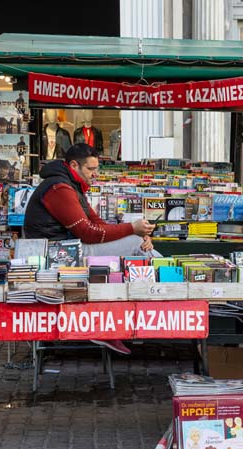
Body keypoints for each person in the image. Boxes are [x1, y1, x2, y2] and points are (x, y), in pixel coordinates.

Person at [24, 143, 157, 354]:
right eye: (91, 169)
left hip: (67, 249)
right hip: (57, 255)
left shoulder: (71, 185)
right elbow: (87, 232)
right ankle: (167, 296)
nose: (95, 175)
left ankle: (117, 320)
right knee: (133, 244)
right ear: (74, 165)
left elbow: (97, 224)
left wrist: (138, 233)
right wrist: (132, 229)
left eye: (97, 169)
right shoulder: (59, 188)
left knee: (135, 242)